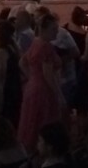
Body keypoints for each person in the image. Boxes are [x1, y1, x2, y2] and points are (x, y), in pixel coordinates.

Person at [18, 13, 65, 152]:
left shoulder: (35, 42)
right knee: (44, 124)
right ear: (44, 29)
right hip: (43, 91)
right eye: (53, 29)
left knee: (31, 123)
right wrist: (59, 95)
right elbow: (48, 74)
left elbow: (22, 63)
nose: (56, 32)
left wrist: (32, 77)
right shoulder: (45, 47)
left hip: (32, 87)